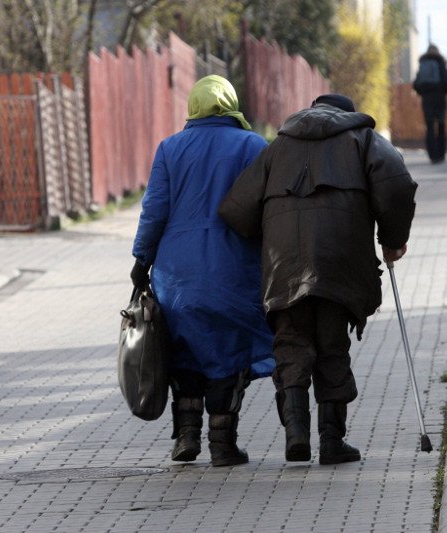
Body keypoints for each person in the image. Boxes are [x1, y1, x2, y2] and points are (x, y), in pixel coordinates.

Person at [219, 94, 418, 465]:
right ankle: (331, 440)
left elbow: (236, 208)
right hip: (339, 260)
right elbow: (396, 185)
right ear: (347, 113)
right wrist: (392, 241)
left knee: (291, 345)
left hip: (284, 264)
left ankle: (296, 436)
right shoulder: (363, 140)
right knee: (331, 345)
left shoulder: (279, 146)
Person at [130, 75, 274, 467]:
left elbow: (154, 209)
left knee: (182, 352)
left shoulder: (170, 148)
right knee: (228, 351)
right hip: (233, 270)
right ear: (230, 104)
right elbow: (266, 210)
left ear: (192, 107)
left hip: (176, 274)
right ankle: (222, 443)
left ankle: (187, 435)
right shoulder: (253, 146)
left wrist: (141, 259)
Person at [413, 44, 447, 163]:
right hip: (439, 97)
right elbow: (446, 82)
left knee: (429, 127)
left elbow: (416, 84)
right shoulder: (440, 62)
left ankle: (432, 155)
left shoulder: (423, 63)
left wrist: (423, 92)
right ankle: (441, 154)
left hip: (427, 98)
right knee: (441, 125)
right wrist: (443, 91)